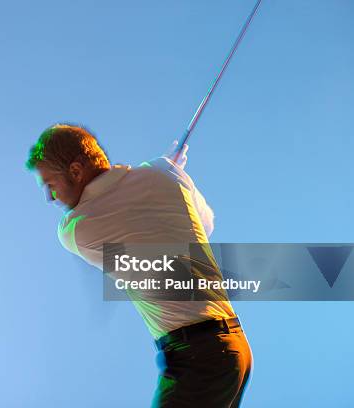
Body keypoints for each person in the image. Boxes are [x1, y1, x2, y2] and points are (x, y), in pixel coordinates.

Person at [26, 124, 253, 407]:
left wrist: (166, 170)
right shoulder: (163, 173)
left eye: (50, 185)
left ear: (75, 171)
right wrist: (174, 174)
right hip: (233, 350)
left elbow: (125, 210)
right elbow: (204, 225)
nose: (49, 198)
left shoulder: (76, 229)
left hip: (197, 356)